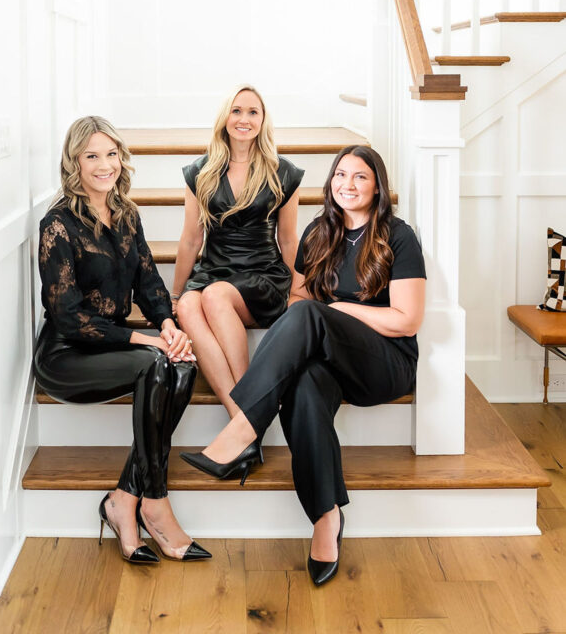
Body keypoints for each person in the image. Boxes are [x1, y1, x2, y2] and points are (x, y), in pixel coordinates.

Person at [181, 145, 426, 586]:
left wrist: (338, 311)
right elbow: (298, 297)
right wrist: (319, 316)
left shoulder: (398, 235)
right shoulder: (319, 232)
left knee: (312, 313)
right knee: (303, 386)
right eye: (341, 175)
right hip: (332, 360)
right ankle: (325, 516)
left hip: (385, 362)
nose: (348, 185)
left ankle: (245, 426)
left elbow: (407, 320)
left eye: (360, 177)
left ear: (377, 187)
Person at [34, 116, 210, 564]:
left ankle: (124, 499)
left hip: (111, 345)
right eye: (91, 156)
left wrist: (167, 326)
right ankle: (156, 502)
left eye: (111, 154)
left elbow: (149, 283)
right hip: (67, 355)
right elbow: (69, 318)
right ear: (74, 162)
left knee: (183, 365)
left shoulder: (127, 215)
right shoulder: (57, 225)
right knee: (155, 362)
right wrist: (144, 341)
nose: (104, 165)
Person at [173, 86, 304, 416]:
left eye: (253, 112)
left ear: (263, 120)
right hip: (214, 269)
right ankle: (243, 415)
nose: (244, 119)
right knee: (188, 306)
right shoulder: (200, 172)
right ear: (225, 117)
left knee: (215, 296)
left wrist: (298, 292)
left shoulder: (283, 172)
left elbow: (289, 240)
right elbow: (191, 240)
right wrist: (175, 295)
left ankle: (249, 407)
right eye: (237, 110)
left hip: (262, 274)